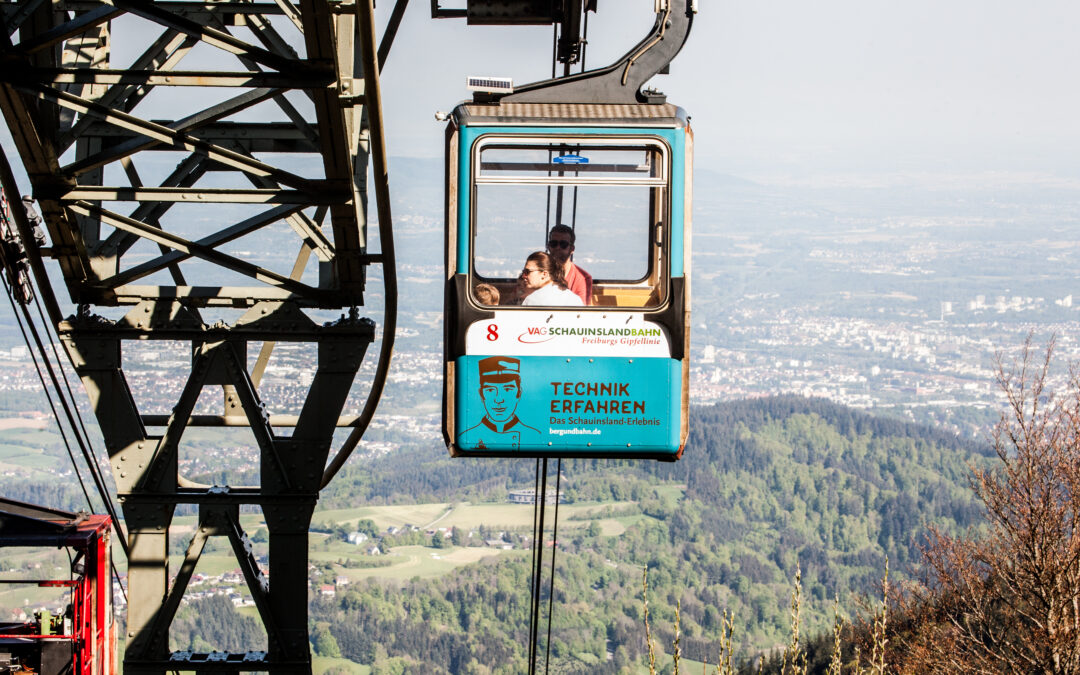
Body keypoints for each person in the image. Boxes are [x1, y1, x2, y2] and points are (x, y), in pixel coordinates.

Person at [457, 356, 540, 450]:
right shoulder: (468, 437)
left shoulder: (535, 436)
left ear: (519, 393)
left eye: (508, 389)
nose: (499, 399)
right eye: (490, 390)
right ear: (481, 395)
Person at [547, 224, 592, 305]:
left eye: (563, 244)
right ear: (548, 246)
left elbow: (581, 310)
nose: (558, 247)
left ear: (572, 249)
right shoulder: (539, 271)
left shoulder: (583, 278)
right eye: (554, 243)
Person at [518, 251, 584, 307]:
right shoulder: (574, 299)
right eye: (524, 272)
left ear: (544, 274)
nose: (524, 276)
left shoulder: (532, 300)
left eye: (527, 272)